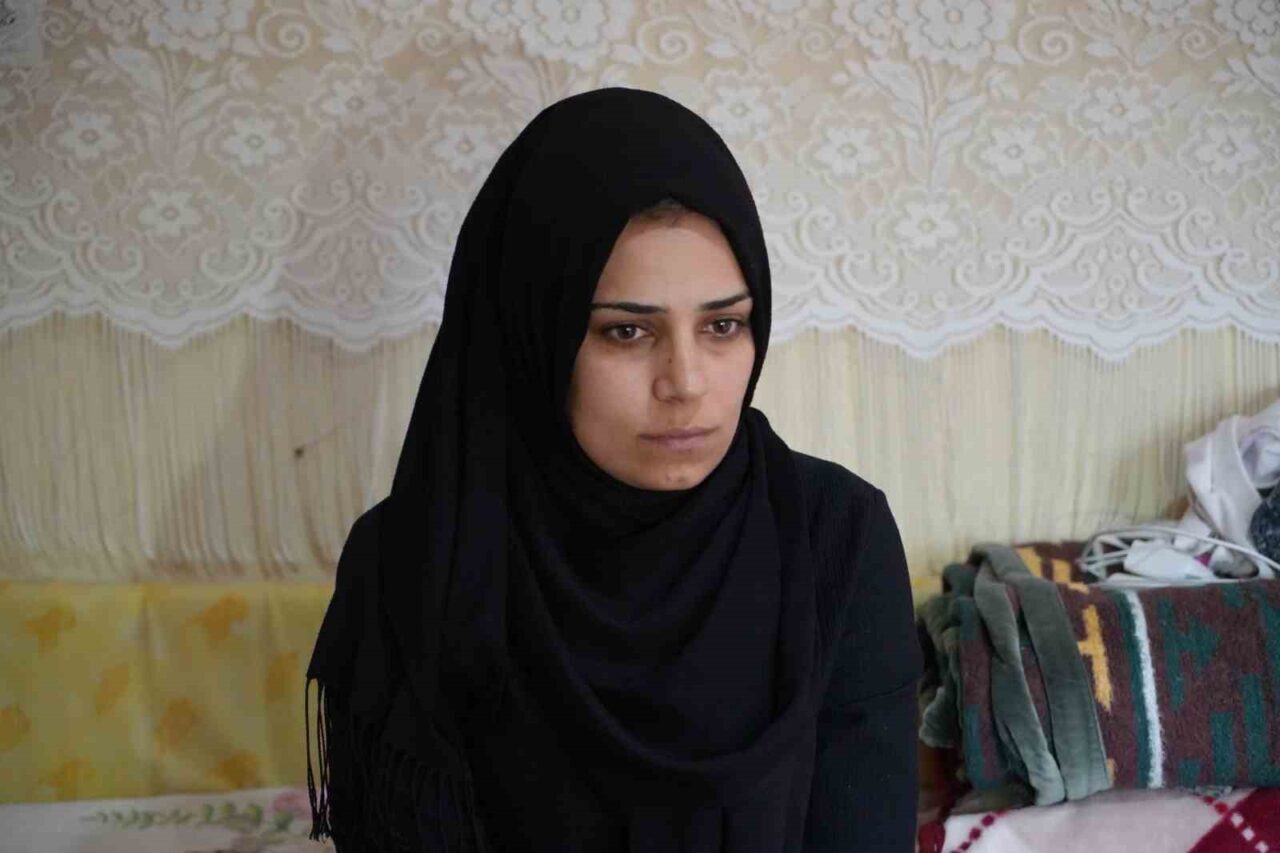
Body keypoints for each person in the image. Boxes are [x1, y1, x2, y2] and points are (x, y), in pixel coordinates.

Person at [304, 86, 923, 853]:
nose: (686, 382)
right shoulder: (415, 561)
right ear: (533, 334)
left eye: (723, 324)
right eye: (627, 332)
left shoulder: (835, 537)